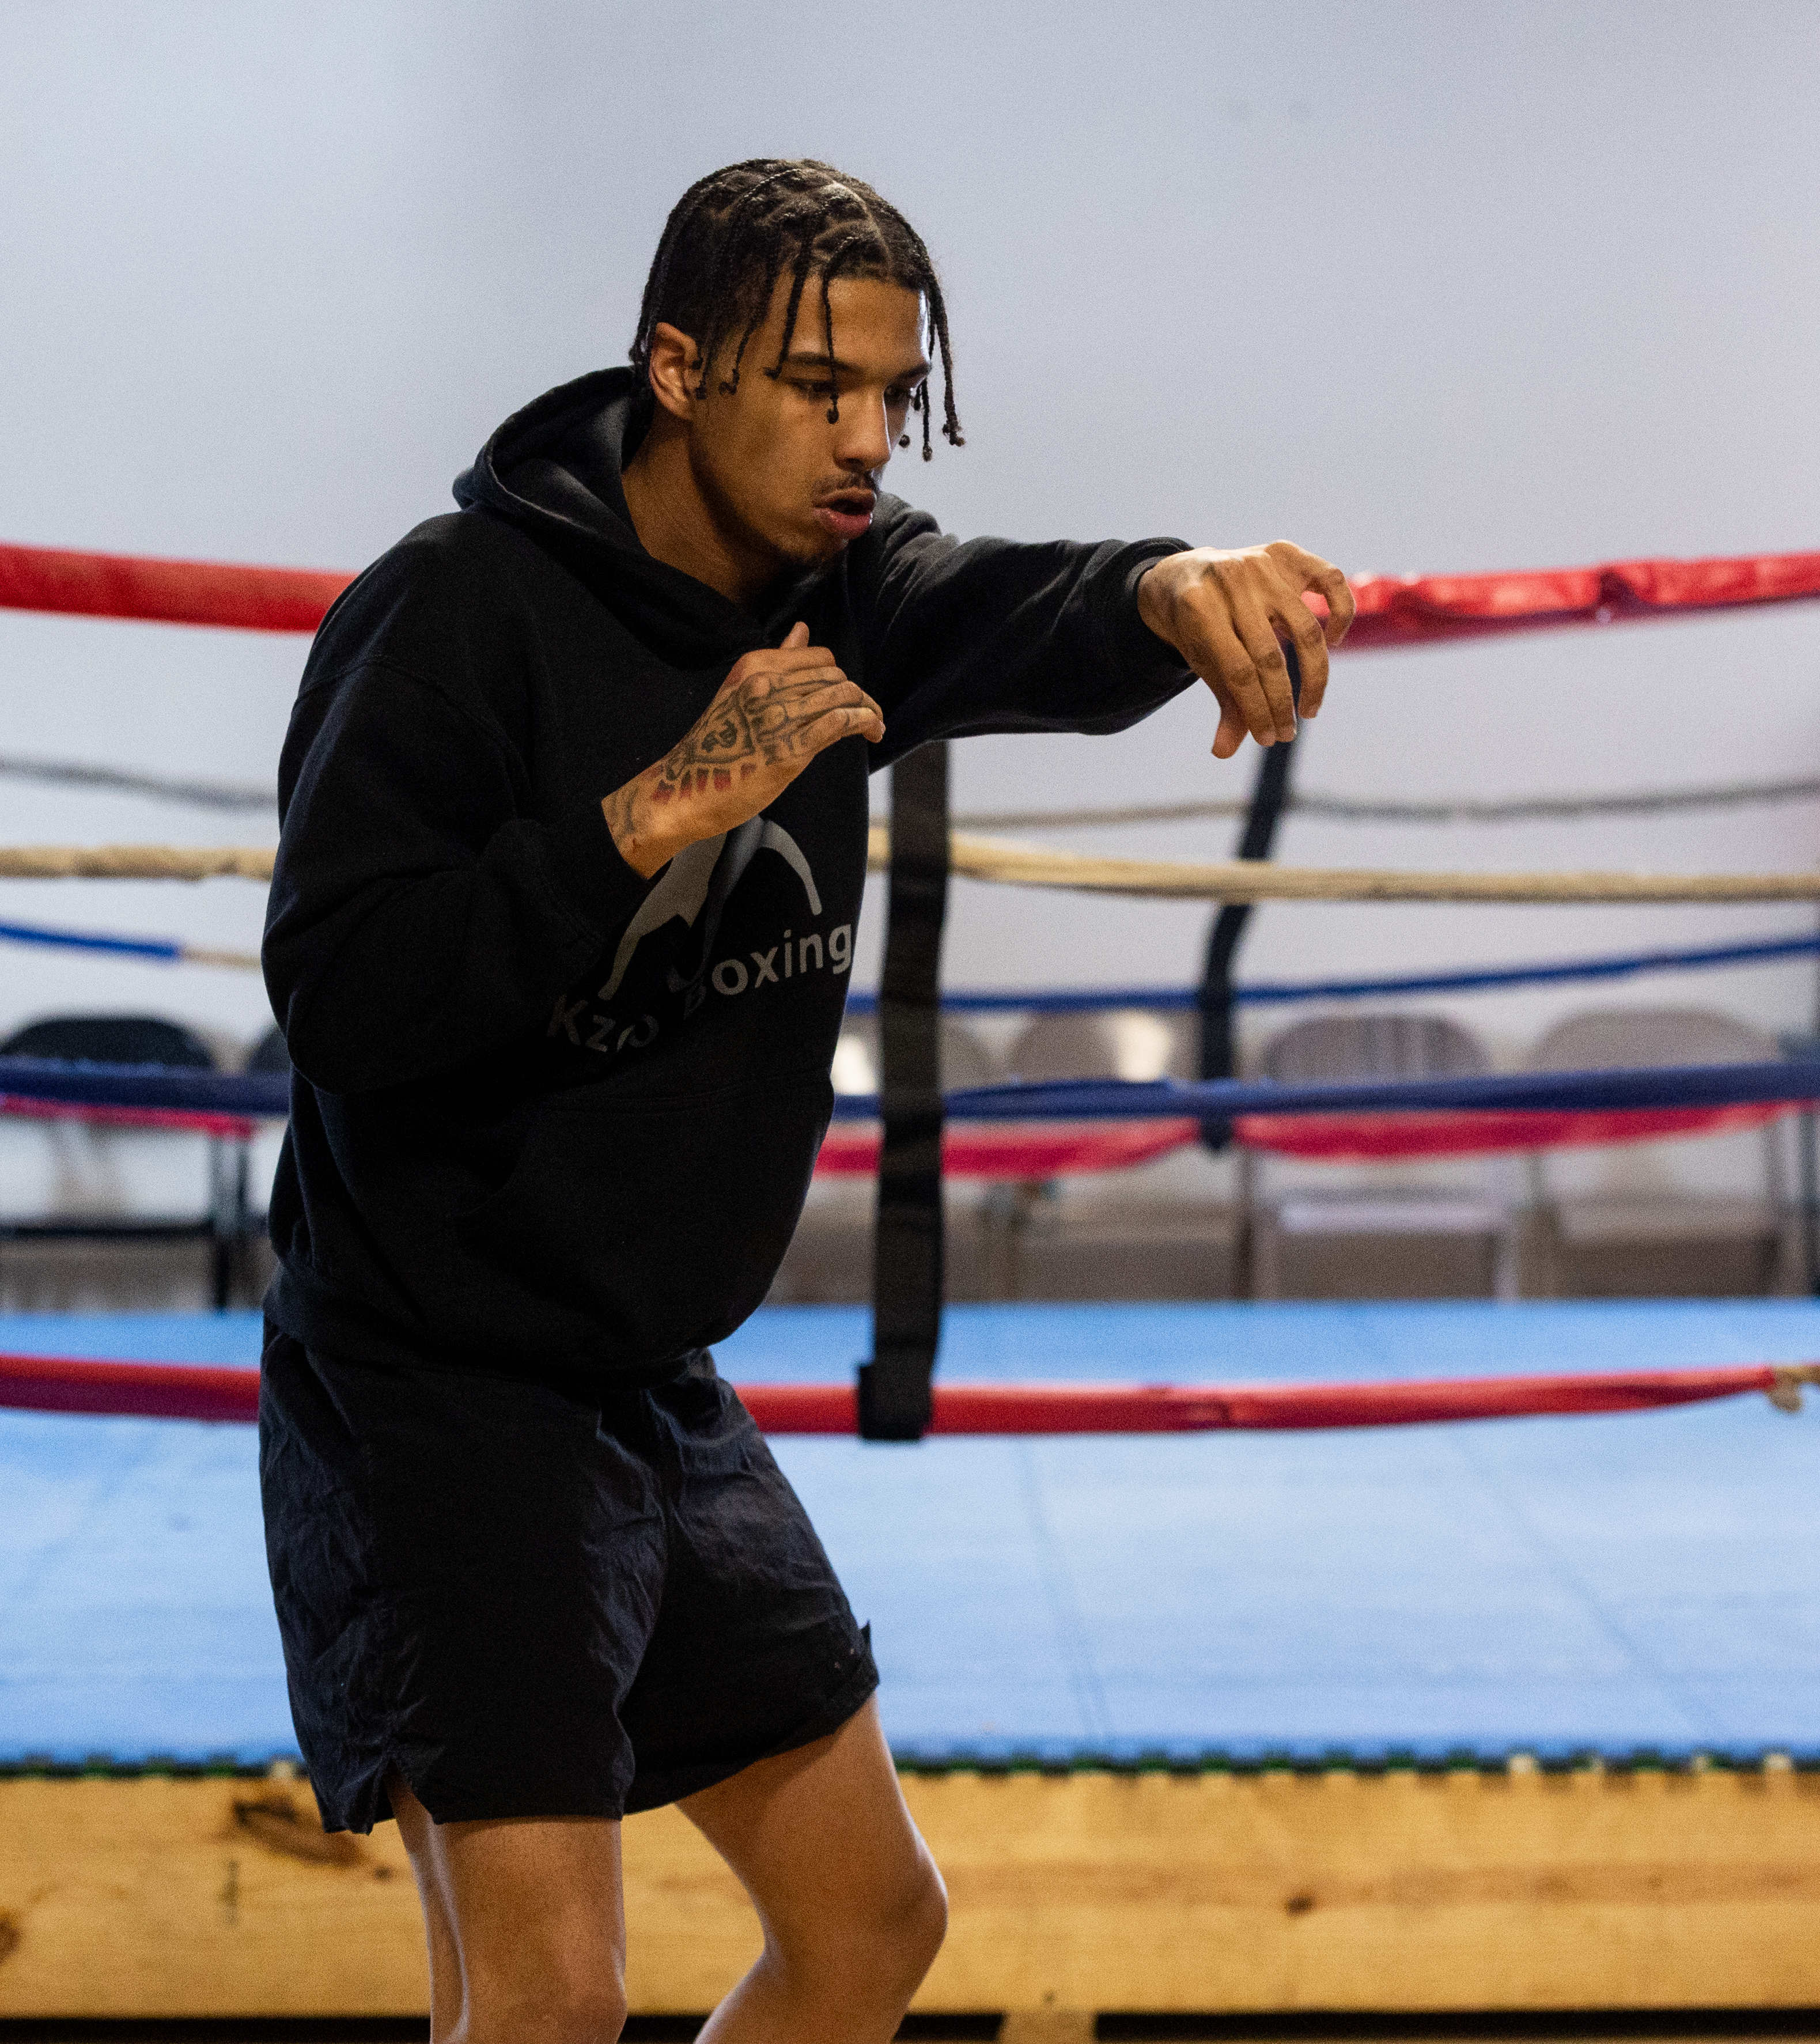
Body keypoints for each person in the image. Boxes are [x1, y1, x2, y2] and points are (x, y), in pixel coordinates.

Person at [259, 158, 1352, 2043]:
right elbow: (345, 993)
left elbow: (1018, 606)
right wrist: (646, 818)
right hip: (435, 1385)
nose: (863, 440)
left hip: (647, 1383)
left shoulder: (844, 591)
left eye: (888, 396)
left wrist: (1174, 583)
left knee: (868, 1925)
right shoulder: (452, 615)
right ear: (676, 368)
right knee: (544, 1999)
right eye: (814, 388)